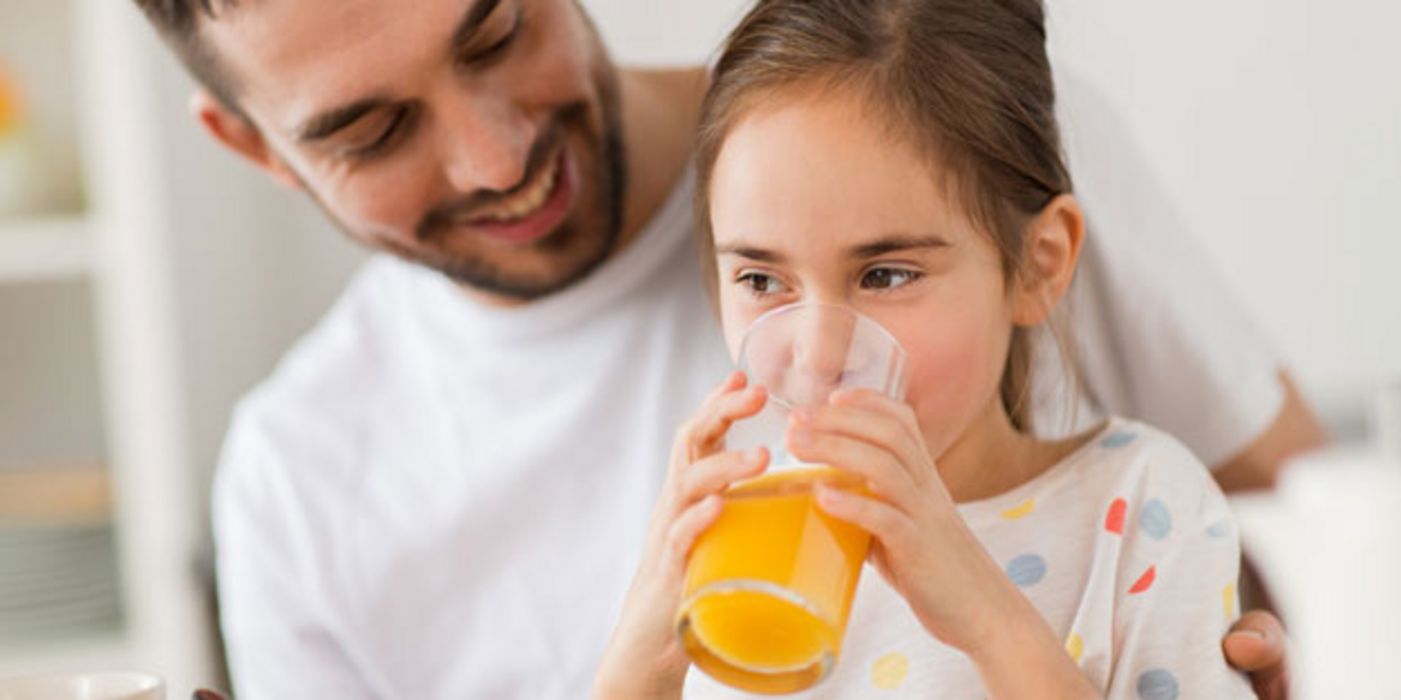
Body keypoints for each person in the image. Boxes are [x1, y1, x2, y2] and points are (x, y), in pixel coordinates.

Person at [128, 0, 1318, 697]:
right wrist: (640, 648)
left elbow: (1326, 545)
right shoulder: (293, 478)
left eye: (495, 33)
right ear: (255, 147)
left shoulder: (938, 130)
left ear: (1036, 263)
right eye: (374, 130)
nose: (494, 158)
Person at [596, 0, 1259, 697]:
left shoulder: (1141, 508)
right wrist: (638, 661)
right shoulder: (736, 546)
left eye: (884, 276)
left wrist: (989, 621)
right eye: (762, 280)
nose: (819, 356)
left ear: (1037, 265)